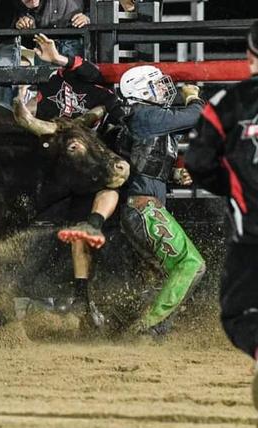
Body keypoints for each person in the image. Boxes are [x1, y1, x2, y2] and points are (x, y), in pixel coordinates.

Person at [185, 15, 258, 428]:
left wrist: (230, 185)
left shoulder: (229, 104)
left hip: (253, 232)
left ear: (251, 53)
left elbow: (197, 163)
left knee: (241, 315)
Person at [27, 33, 126, 325]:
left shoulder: (102, 91)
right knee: (73, 233)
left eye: (66, 61)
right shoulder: (49, 87)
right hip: (63, 177)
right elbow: (34, 117)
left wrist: (60, 60)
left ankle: (85, 299)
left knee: (85, 226)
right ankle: (79, 300)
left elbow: (92, 72)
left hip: (94, 175)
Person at [111, 65, 206, 335]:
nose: (165, 90)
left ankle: (140, 329)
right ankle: (148, 329)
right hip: (143, 209)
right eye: (157, 85)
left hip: (142, 208)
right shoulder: (145, 116)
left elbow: (144, 161)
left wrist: (172, 173)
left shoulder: (143, 118)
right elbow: (199, 115)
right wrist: (193, 97)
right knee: (191, 265)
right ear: (142, 91)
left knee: (159, 276)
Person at [15, 0, 90, 58]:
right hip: (44, 43)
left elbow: (96, 5)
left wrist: (87, 17)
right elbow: (28, 9)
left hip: (74, 40)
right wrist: (26, 22)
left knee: (75, 75)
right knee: (44, 76)